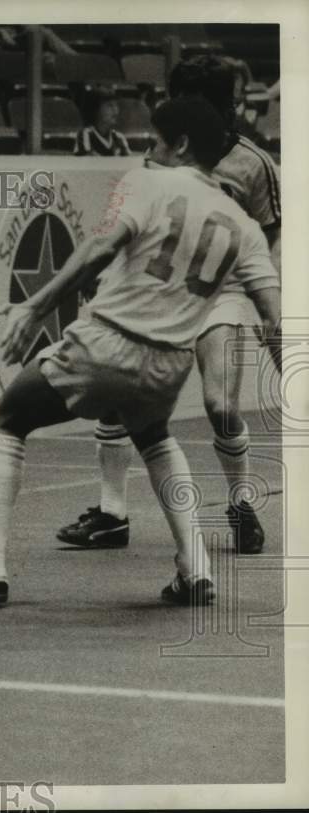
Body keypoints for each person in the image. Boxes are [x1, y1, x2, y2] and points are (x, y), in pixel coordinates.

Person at [0, 95, 281, 609]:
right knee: (153, 435)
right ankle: (195, 569)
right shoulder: (245, 228)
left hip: (106, 345)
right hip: (169, 366)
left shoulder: (147, 181)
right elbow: (276, 315)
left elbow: (99, 249)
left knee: (10, 415)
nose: (149, 151)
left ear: (182, 145)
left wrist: (36, 308)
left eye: (155, 141)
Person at [57, 54, 282, 554]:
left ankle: (240, 502)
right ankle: (112, 514)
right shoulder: (162, 154)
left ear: (228, 107)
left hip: (222, 291)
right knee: (117, 393)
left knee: (220, 404)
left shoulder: (255, 165)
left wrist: (258, 300)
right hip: (160, 286)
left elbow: (264, 240)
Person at [73, 87, 132, 157]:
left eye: (116, 105)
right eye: (110, 106)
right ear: (96, 109)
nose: (116, 111)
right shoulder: (86, 135)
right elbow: (87, 163)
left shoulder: (119, 138)